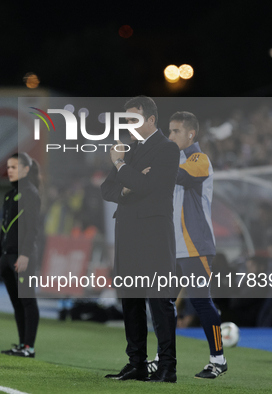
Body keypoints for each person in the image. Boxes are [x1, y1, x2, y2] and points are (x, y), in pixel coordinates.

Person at [101, 96, 180, 383]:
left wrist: (121, 165)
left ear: (150, 120)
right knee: (130, 300)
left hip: (154, 234)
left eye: (132, 120)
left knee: (159, 301)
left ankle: (167, 366)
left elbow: (148, 186)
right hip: (127, 232)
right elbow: (106, 189)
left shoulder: (167, 149)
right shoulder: (132, 150)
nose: (127, 125)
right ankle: (136, 363)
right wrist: (126, 187)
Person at [147, 111, 227, 379]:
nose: (169, 136)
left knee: (201, 303)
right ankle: (162, 357)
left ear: (190, 134)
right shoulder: (176, 160)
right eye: (168, 131)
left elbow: (177, 176)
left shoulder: (199, 160)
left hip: (195, 247)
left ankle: (218, 359)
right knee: (162, 301)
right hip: (172, 247)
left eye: (175, 131)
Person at [0, 153, 41, 358]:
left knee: (28, 301)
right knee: (17, 303)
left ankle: (30, 347)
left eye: (14, 167)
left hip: (22, 256)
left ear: (26, 169)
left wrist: (26, 254)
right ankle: (22, 344)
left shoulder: (30, 193)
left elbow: (32, 229)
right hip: (7, 257)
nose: (9, 170)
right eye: (8, 167)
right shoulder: (10, 195)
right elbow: (4, 228)